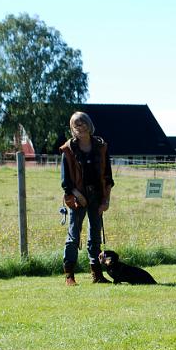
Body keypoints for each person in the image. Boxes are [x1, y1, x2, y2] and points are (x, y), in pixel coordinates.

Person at [59, 111, 115, 286]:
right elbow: (65, 182)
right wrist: (78, 195)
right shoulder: (67, 150)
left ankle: (97, 275)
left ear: (89, 125)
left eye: (83, 122)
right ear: (72, 128)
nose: (80, 126)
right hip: (77, 198)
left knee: (95, 237)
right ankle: (69, 275)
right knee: (73, 236)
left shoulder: (101, 146)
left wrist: (106, 201)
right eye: (76, 124)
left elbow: (108, 177)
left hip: (97, 196)